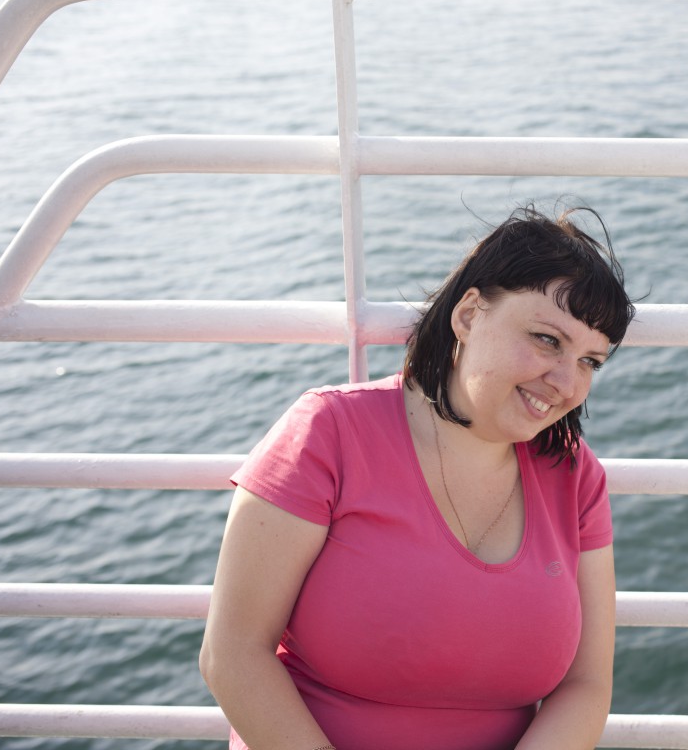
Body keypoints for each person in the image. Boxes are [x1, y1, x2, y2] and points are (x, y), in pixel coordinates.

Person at [200, 202, 636, 750]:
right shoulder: (329, 432)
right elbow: (233, 652)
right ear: (469, 315)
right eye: (548, 340)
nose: (565, 382)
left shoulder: (574, 475)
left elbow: (586, 685)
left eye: (591, 361)